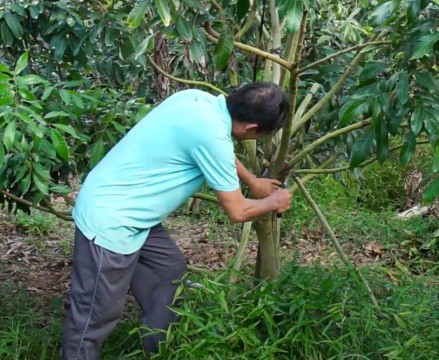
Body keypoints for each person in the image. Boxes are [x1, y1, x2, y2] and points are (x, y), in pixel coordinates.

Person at [62, 82, 292, 359]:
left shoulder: (196, 100)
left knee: (167, 270)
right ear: (252, 129)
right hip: (112, 218)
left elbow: (218, 150)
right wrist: (272, 202)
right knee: (95, 313)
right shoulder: (212, 137)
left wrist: (253, 181)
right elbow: (238, 211)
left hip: (132, 210)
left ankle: (159, 350)